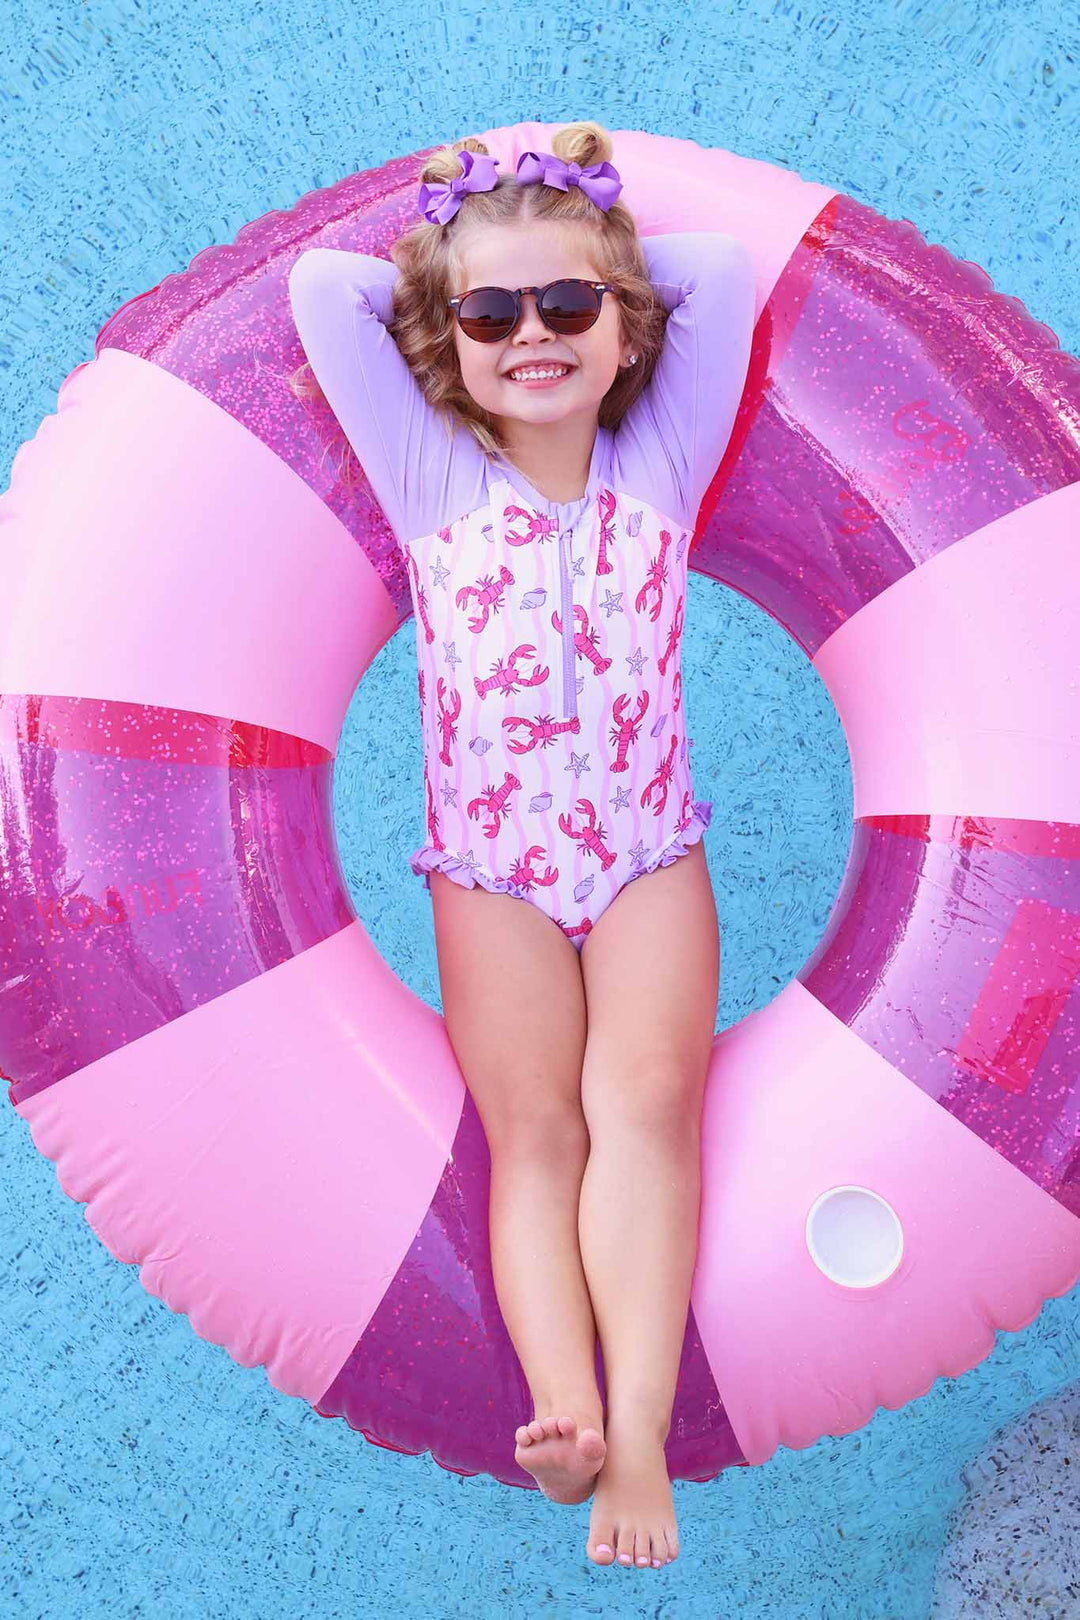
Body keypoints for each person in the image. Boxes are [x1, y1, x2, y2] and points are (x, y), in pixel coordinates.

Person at [288, 119, 756, 1572]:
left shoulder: (659, 461)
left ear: (626, 325)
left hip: (647, 858)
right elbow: (325, 291)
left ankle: (644, 1427)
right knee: (536, 1134)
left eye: (570, 306)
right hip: (489, 874)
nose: (532, 334)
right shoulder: (433, 478)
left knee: (649, 1105)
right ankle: (569, 1423)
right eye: (491, 315)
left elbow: (723, 272)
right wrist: (477, 199)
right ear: (448, 341)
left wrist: (572, 206)